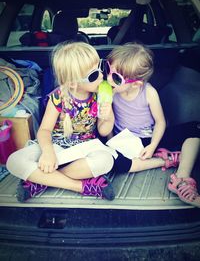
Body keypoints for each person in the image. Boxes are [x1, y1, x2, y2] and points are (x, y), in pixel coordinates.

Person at [6, 41, 115, 202]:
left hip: (84, 148)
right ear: (72, 82)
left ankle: (41, 181)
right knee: (13, 161)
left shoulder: (100, 95)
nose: (100, 76)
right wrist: (48, 153)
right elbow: (44, 131)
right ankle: (80, 186)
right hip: (56, 146)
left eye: (100, 68)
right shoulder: (58, 97)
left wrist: (108, 115)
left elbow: (104, 131)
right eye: (93, 75)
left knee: (106, 161)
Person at [105, 42, 200, 207]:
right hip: (125, 141)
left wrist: (152, 146)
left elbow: (160, 122)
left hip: (150, 139)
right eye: (107, 70)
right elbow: (107, 123)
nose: (108, 79)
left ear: (136, 83)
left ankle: (181, 178)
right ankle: (166, 160)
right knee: (112, 162)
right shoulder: (110, 91)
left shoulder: (148, 92)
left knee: (195, 128)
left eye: (116, 78)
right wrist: (111, 142)